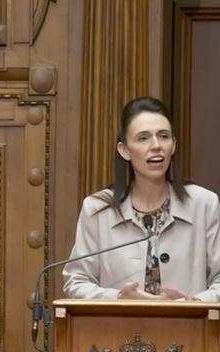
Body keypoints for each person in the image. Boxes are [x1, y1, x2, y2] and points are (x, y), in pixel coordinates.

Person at [63, 96, 220, 301]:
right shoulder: (97, 209)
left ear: (173, 145)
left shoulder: (204, 204)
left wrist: (195, 303)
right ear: (125, 150)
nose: (156, 145)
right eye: (143, 138)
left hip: (188, 330)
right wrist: (118, 298)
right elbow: (75, 281)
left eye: (163, 136)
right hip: (118, 331)